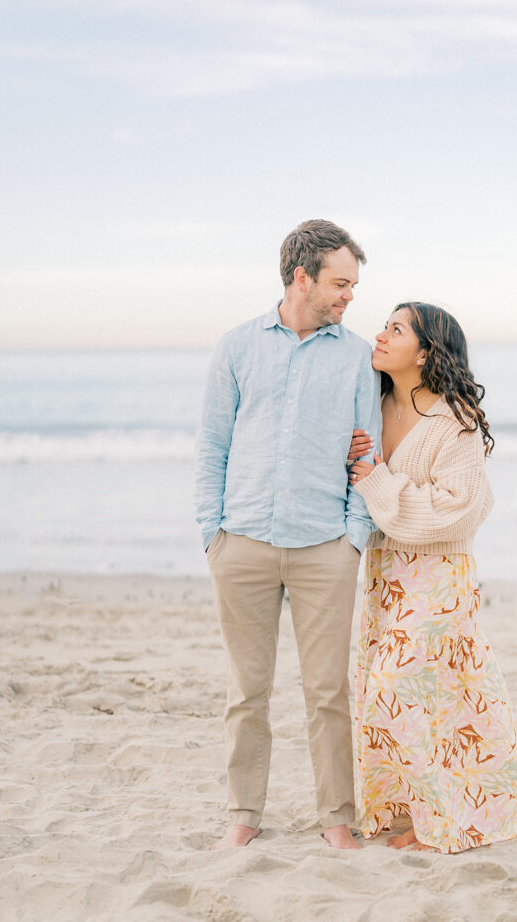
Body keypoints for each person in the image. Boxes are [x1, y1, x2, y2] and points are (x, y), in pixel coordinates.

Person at [194, 220, 381, 850]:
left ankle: (337, 819)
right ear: (302, 277)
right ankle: (243, 816)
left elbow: (369, 452)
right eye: (340, 283)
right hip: (241, 542)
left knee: (328, 692)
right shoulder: (237, 346)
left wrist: (353, 538)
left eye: (353, 285)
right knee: (247, 692)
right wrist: (211, 533)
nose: (349, 295)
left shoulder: (358, 356)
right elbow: (213, 445)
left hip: (324, 546)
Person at [347, 302, 517, 853]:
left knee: (410, 689)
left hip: (439, 575)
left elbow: (459, 508)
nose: (379, 334)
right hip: (385, 573)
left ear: (425, 352)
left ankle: (444, 822)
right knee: (390, 695)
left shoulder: (455, 420)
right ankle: (408, 807)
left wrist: (376, 482)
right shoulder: (372, 408)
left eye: (395, 329)